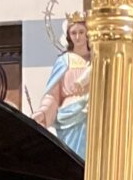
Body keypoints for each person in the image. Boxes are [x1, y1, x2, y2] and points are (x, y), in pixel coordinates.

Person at [32, 12, 91, 158]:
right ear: (68, 35)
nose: (77, 37)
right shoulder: (64, 61)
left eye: (81, 32)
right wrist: (43, 112)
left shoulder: (97, 59)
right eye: (73, 33)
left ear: (88, 34)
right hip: (70, 118)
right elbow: (53, 94)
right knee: (74, 159)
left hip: (93, 113)